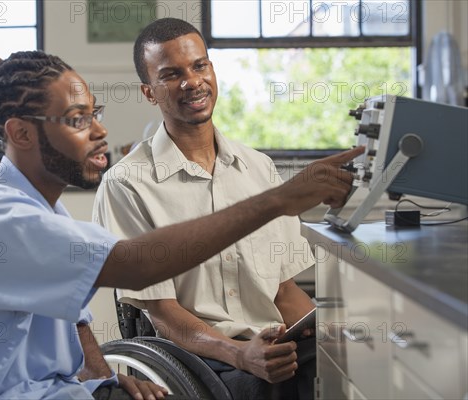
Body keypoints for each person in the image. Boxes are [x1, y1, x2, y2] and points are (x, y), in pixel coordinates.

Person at [0, 50, 361, 400]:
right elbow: (137, 264)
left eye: (94, 113)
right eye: (77, 120)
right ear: (22, 133)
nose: (99, 131)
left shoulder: (39, 209)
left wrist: (103, 381)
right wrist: (278, 200)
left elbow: (77, 320)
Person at [93, 18, 324, 400]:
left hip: (272, 345)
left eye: (199, 65)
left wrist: (328, 332)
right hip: (199, 359)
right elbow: (163, 314)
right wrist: (240, 354)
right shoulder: (127, 183)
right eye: (171, 74)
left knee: (352, 365)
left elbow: (284, 292)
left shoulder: (259, 168)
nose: (192, 81)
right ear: (149, 92)